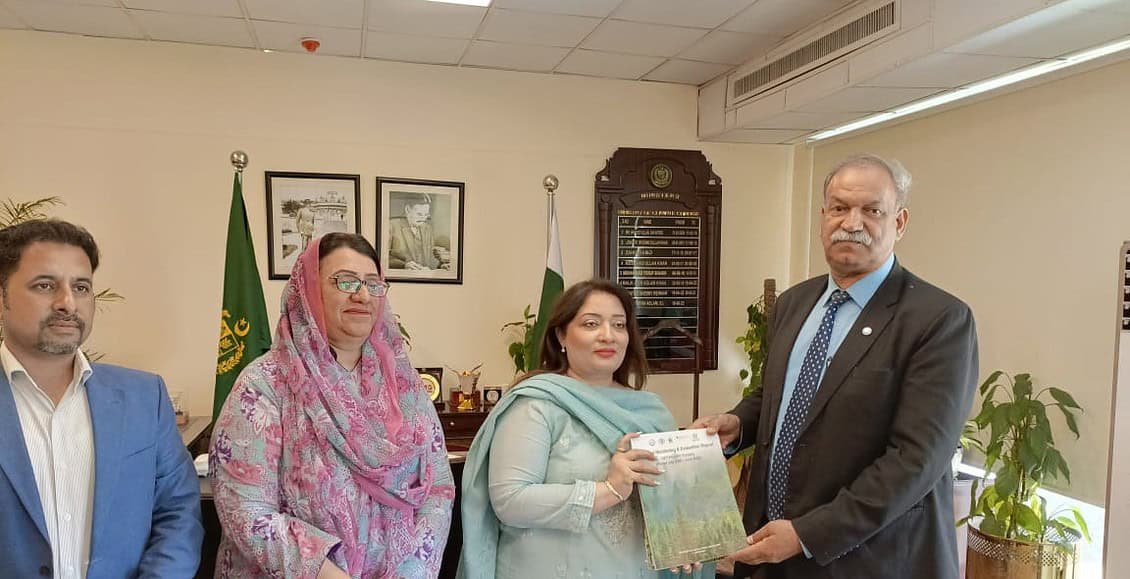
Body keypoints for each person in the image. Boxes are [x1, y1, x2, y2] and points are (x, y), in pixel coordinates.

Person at [692, 154, 978, 578]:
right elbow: (781, 394)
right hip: (772, 550)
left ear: (899, 222)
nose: (852, 223)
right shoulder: (794, 303)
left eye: (872, 211)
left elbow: (916, 460)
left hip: (870, 560)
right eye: (840, 208)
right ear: (823, 216)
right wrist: (739, 424)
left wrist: (809, 534)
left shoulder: (939, 320)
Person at [210, 232, 455, 578]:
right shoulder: (266, 384)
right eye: (345, 281)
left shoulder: (404, 387)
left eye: (373, 283)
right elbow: (246, 511)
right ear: (308, 290)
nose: (362, 295)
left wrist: (414, 570)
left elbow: (438, 488)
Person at [459, 279, 710, 579]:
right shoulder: (537, 404)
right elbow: (510, 501)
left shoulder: (650, 410)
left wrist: (690, 524)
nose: (609, 336)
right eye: (591, 324)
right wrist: (610, 489)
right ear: (561, 335)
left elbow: (672, 499)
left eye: (619, 325)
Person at [0, 219, 203, 578]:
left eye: (81, 287)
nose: (67, 302)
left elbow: (178, 511)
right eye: (45, 285)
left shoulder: (144, 397)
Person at [387, 194, 450, 271]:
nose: (423, 219)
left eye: (426, 215)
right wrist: (404, 265)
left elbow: (430, 259)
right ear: (407, 209)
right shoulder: (391, 226)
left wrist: (441, 265)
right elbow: (383, 257)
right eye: (419, 214)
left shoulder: (427, 228)